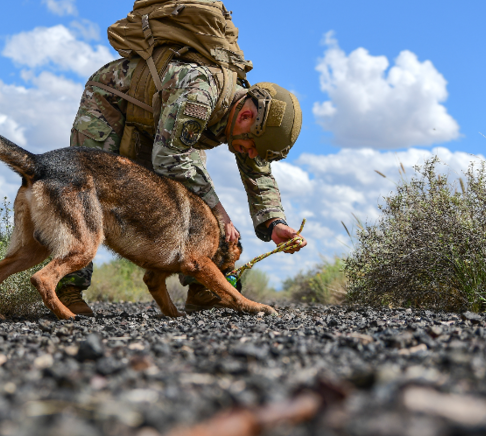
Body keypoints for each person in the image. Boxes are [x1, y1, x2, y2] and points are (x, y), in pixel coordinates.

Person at [56, 44, 307, 316]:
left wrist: (275, 223)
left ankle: (203, 289)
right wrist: (221, 211)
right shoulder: (200, 93)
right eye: (250, 146)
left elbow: (257, 172)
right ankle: (68, 288)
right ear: (246, 116)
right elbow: (169, 157)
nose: (250, 154)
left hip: (168, 126)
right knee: (85, 186)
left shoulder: (248, 125)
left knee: (199, 201)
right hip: (110, 101)